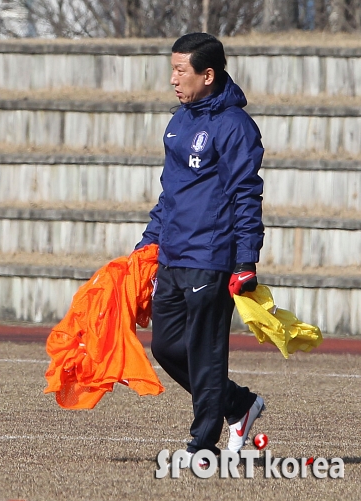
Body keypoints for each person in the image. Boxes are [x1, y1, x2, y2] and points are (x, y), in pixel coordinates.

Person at [135, 32, 265, 461]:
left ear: (207, 75)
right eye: (171, 68)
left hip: (212, 257)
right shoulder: (179, 120)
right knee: (166, 346)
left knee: (206, 354)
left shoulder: (235, 126)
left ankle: (202, 444)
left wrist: (245, 259)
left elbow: (246, 193)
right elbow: (169, 195)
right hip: (173, 252)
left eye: (180, 70)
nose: (173, 79)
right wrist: (148, 245)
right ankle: (239, 404)